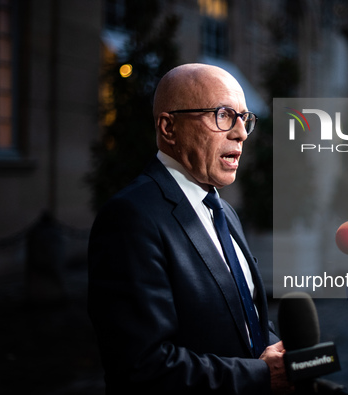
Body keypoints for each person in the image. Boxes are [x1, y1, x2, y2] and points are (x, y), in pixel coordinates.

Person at [88, 63, 291, 394]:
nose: (240, 132)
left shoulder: (224, 211)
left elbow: (245, 322)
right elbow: (142, 367)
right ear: (169, 127)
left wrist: (280, 356)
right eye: (224, 115)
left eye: (244, 118)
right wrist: (261, 377)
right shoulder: (130, 218)